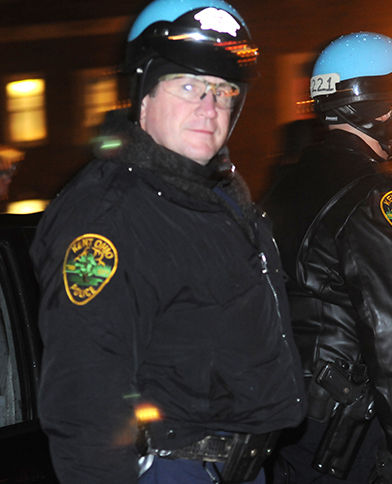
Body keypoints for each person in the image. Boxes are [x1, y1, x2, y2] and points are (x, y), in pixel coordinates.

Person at [29, 0, 306, 482]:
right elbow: (85, 399)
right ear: (143, 95)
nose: (210, 107)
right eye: (189, 86)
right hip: (174, 469)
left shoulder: (216, 198)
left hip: (240, 467)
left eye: (223, 92)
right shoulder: (109, 214)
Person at [263, 32, 392, 483]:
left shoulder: (282, 186)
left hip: (292, 415)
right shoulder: (378, 197)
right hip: (353, 430)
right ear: (382, 109)